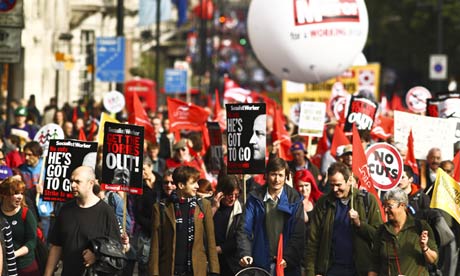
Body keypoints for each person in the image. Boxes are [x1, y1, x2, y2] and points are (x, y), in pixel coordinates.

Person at [44, 166, 127, 276]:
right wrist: (47, 273)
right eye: (71, 181)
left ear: (91, 183)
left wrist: (96, 256)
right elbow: (56, 246)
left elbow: (116, 249)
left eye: (77, 182)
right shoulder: (65, 210)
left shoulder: (106, 212)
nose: (73, 185)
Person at [306, 162, 383, 276]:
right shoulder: (324, 203)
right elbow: (313, 240)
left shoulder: (367, 201)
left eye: (338, 185)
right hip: (331, 270)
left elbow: (378, 236)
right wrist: (311, 272)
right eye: (331, 185)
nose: (335, 189)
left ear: (349, 181)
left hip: (359, 270)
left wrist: (359, 224)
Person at [238, 157, 304, 275]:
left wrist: (288, 257)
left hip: (286, 264)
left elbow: (298, 234)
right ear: (266, 175)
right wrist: (245, 253)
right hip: (260, 262)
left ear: (286, 176)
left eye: (280, 175)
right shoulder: (254, 198)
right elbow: (244, 229)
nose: (277, 179)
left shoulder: (294, 199)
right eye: (273, 174)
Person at [149, 165, 220, 276]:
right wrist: (153, 273)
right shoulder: (160, 207)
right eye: (193, 183)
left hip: (196, 271)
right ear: (181, 185)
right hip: (169, 270)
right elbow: (155, 244)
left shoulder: (204, 205)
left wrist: (214, 270)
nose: (197, 186)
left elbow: (211, 241)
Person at [368, 188, 438, 275]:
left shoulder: (421, 227)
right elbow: (374, 265)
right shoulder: (382, 230)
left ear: (402, 205)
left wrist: (424, 248)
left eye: (389, 206)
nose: (386, 210)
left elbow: (433, 259)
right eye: (384, 206)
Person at [0, 177, 39, 275]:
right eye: (16, 193)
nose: (20, 197)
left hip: (24, 267)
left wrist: (13, 254)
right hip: (3, 266)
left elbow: (32, 241)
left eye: (22, 193)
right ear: (4, 195)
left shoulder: (26, 213)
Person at [211, 175, 243, 276]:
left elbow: (240, 237)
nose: (233, 198)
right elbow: (201, 226)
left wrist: (219, 249)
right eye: (230, 195)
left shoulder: (241, 209)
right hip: (211, 260)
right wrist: (214, 208)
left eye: (236, 195)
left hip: (231, 261)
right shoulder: (209, 204)